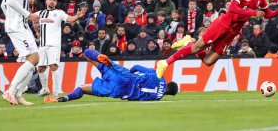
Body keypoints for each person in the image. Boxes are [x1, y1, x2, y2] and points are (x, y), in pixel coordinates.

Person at [156, 0, 278, 78]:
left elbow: (267, 14)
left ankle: (187, 42)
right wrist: (252, 13)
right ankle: (165, 63)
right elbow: (232, 8)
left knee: (208, 62)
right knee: (197, 48)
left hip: (232, 32)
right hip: (223, 25)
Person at [44, 49, 178, 103]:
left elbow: (137, 67)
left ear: (169, 82)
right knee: (83, 88)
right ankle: (64, 99)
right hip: (120, 91)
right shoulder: (157, 98)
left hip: (125, 77)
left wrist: (128, 76)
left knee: (88, 53)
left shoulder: (159, 75)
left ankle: (96, 58)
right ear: (169, 94)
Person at [1, 0, 40, 105]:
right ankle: (10, 91)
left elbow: (4, 4)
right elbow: (10, 1)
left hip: (18, 23)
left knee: (32, 59)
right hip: (18, 24)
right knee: (34, 58)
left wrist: (11, 17)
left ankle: (17, 94)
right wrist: (27, 15)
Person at [37, 0, 86, 97]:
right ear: (46, 1)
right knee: (41, 68)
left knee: (53, 66)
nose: (52, 1)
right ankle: (45, 88)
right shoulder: (41, 13)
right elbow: (30, 16)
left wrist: (77, 15)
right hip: (42, 45)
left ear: (56, 2)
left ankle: (55, 93)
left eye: (54, 0)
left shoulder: (59, 13)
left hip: (54, 45)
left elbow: (70, 19)